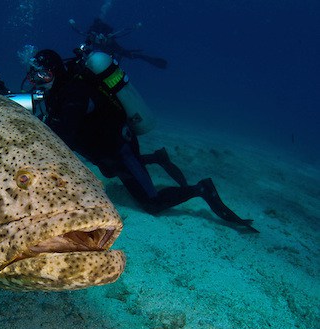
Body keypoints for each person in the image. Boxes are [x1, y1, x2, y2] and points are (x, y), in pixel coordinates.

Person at [24, 49, 257, 232]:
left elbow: (64, 135)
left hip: (119, 148)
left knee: (152, 202)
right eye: (34, 74)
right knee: (111, 171)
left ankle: (201, 189)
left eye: (43, 74)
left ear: (56, 71)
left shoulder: (74, 92)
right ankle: (157, 157)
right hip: (103, 152)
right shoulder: (58, 89)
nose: (38, 80)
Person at [70, 17, 168, 69]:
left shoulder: (94, 29)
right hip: (108, 48)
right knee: (125, 54)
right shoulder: (99, 28)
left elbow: (86, 37)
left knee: (119, 55)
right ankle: (138, 57)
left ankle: (117, 61)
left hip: (106, 48)